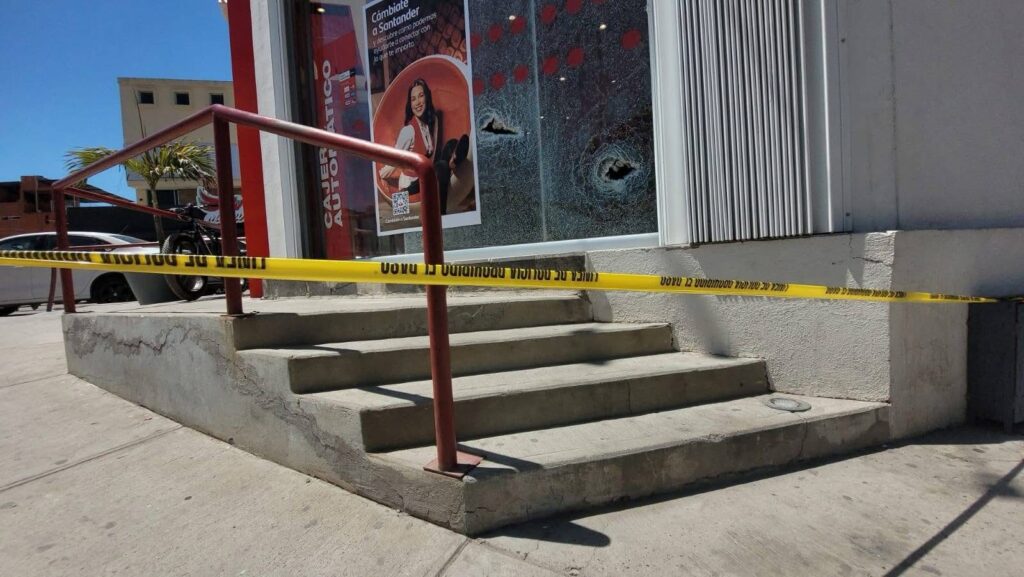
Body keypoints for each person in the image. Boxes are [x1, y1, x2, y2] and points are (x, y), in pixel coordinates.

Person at [379, 78, 469, 215]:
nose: (418, 102)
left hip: (426, 174)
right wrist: (381, 176)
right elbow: (393, 160)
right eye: (413, 99)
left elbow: (432, 157)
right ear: (410, 104)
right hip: (410, 185)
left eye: (421, 96)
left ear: (427, 97)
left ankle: (453, 161)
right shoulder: (408, 131)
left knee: (451, 144)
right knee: (441, 166)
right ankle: (441, 214)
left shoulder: (434, 121)